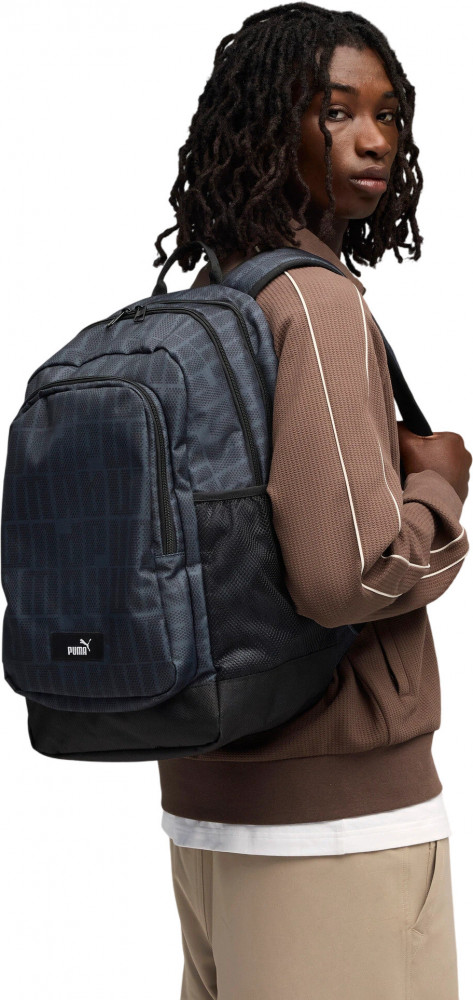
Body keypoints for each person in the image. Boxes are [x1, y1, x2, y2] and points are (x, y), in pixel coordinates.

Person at [152, 4, 471, 998]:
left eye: (387, 115)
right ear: (267, 124)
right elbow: (346, 578)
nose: (373, 139)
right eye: (335, 112)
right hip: (338, 838)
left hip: (207, 812)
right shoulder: (314, 301)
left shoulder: (215, 294)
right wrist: (438, 487)